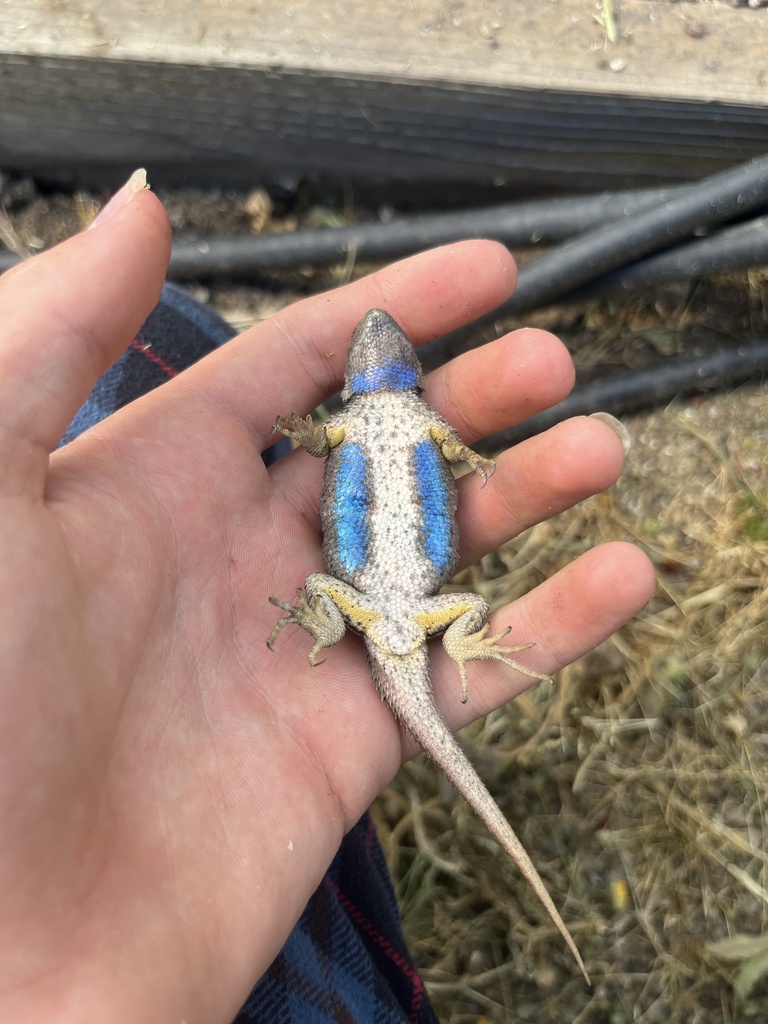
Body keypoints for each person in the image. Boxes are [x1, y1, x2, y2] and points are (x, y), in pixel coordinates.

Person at [0, 171, 655, 1022]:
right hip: (410, 607)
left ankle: (396, 633)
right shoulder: (423, 423)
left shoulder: (355, 421)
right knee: (191, 349)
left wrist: (318, 446)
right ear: (406, 374)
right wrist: (465, 468)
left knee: (314, 577)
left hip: (368, 605)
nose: (377, 347)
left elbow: (327, 438)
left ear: (358, 380)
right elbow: (453, 456)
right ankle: (458, 641)